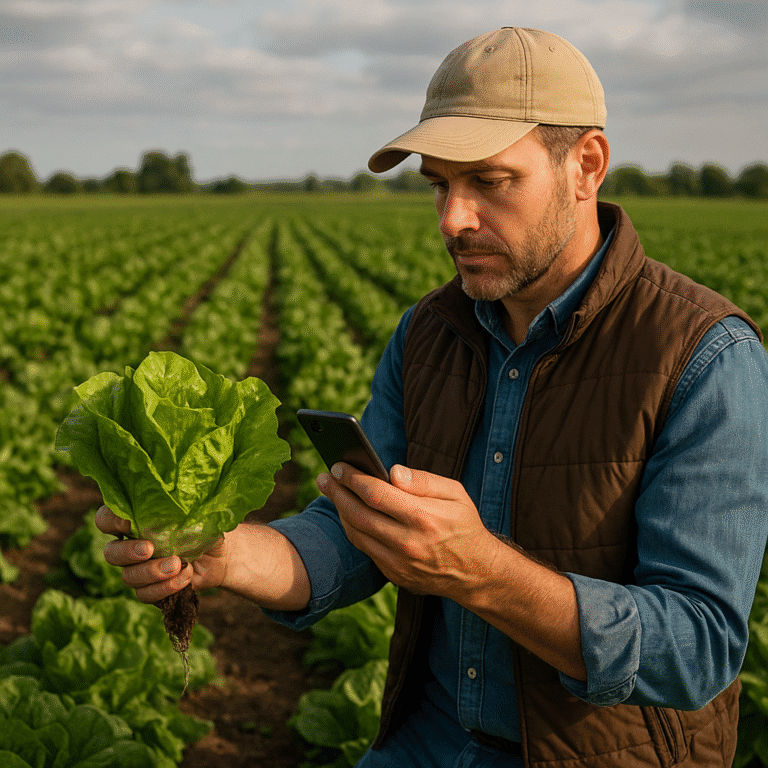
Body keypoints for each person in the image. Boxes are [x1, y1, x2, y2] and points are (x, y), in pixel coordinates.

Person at [96, 26, 768, 768]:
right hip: (425, 742)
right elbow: (355, 532)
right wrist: (222, 554)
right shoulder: (429, 332)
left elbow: (699, 647)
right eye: (440, 184)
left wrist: (485, 572)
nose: (453, 219)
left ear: (586, 165)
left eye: (489, 181)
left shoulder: (705, 356)